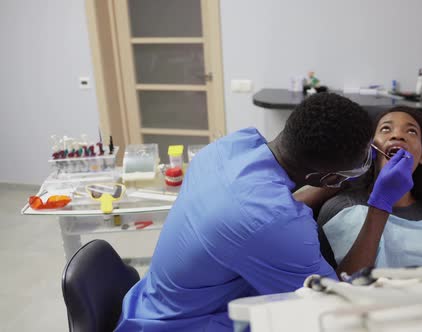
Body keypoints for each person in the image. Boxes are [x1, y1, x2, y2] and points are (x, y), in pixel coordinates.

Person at [115, 93, 381, 331]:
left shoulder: (232, 146)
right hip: (180, 325)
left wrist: (331, 184)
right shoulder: (273, 224)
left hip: (151, 304)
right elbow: (335, 306)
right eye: (365, 157)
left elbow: (269, 211)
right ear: (328, 178)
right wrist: (382, 202)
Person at [318, 106, 422, 275]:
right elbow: (347, 282)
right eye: (385, 129)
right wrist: (381, 202)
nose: (397, 135)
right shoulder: (343, 208)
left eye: (411, 131)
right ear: (369, 150)